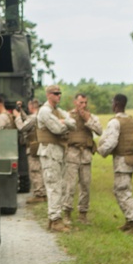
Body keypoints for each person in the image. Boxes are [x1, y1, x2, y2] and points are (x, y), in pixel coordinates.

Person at [96, 94, 133, 233]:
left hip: (122, 160)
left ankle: (132, 223)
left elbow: (111, 142)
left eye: (112, 102)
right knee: (124, 189)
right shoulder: (131, 120)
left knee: (122, 190)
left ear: (116, 104)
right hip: (132, 159)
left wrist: (100, 151)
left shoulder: (115, 122)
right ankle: (129, 222)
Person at [37, 85, 76, 232]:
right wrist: (64, 123)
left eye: (60, 93)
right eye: (56, 93)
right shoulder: (45, 111)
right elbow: (57, 129)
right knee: (54, 186)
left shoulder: (57, 111)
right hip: (49, 153)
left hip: (57, 153)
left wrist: (64, 122)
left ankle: (54, 218)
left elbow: (73, 123)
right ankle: (55, 220)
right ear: (48, 95)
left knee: (59, 185)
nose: (59, 95)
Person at [62, 93, 102, 223]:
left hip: (85, 155)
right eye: (81, 102)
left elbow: (100, 131)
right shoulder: (68, 116)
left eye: (85, 102)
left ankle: (83, 214)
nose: (83, 105)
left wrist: (87, 120)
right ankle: (67, 213)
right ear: (75, 102)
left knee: (85, 185)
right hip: (72, 154)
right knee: (70, 185)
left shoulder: (91, 117)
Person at [17, 99, 46, 203]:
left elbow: (23, 127)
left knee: (35, 170)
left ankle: (39, 195)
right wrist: (20, 111)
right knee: (39, 170)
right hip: (38, 146)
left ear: (32, 107)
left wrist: (16, 117)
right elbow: (27, 119)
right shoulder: (37, 116)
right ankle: (42, 193)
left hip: (34, 147)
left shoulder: (35, 117)